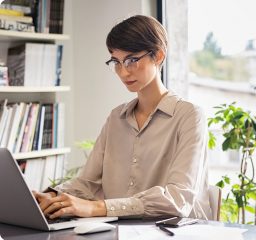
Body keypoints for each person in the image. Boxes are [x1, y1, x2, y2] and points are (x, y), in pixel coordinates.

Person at [34, 15, 211, 220]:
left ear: (159, 56)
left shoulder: (190, 116)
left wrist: (95, 208)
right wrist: (50, 197)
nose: (123, 71)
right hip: (120, 231)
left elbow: (177, 199)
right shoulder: (116, 118)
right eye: (116, 62)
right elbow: (87, 183)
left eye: (132, 60)